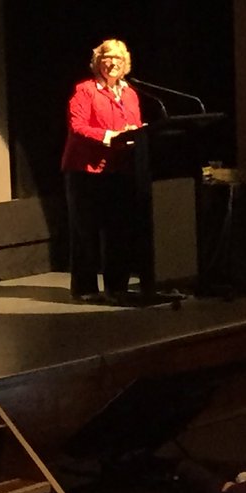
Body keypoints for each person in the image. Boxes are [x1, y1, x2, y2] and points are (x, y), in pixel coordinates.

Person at [61, 38, 144, 302]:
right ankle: (85, 289)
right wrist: (111, 135)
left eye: (118, 58)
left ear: (125, 63)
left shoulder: (130, 93)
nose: (112, 63)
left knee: (118, 230)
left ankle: (117, 287)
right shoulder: (85, 90)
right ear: (98, 62)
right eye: (107, 57)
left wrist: (134, 133)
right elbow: (78, 127)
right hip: (85, 170)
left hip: (119, 169)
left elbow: (134, 125)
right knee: (85, 231)